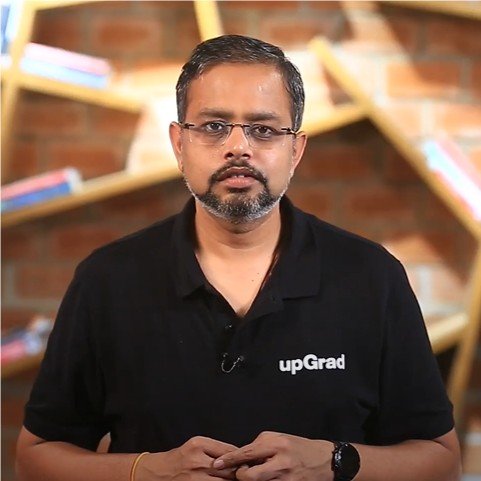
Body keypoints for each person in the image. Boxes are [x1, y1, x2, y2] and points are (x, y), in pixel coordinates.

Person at [16, 35, 461, 481]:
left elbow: (440, 460)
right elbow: (35, 458)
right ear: (179, 144)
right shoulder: (107, 280)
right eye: (214, 126)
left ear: (296, 150)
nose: (238, 147)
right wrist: (145, 471)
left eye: (263, 129)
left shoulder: (371, 276)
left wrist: (332, 462)